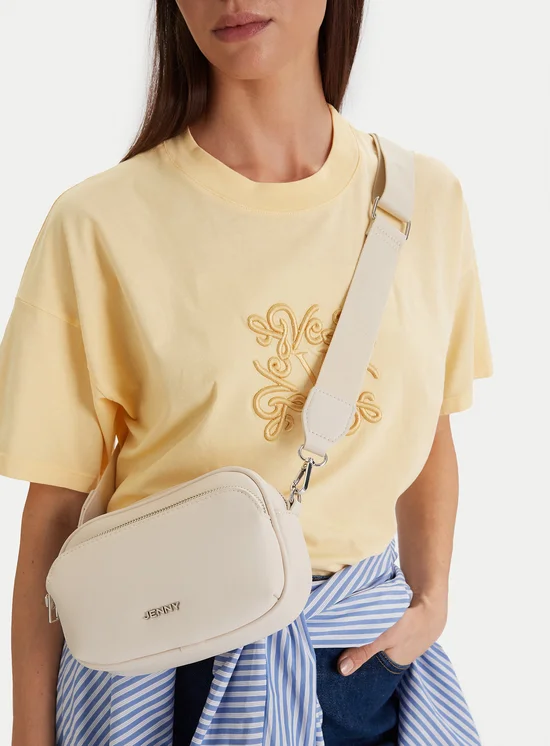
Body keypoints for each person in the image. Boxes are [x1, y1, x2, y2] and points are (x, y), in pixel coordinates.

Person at [2, 1, 494, 744]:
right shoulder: (97, 224)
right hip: (158, 683)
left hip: (361, 668)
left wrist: (431, 599)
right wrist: (29, 736)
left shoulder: (425, 202)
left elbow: (431, 425)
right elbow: (52, 517)